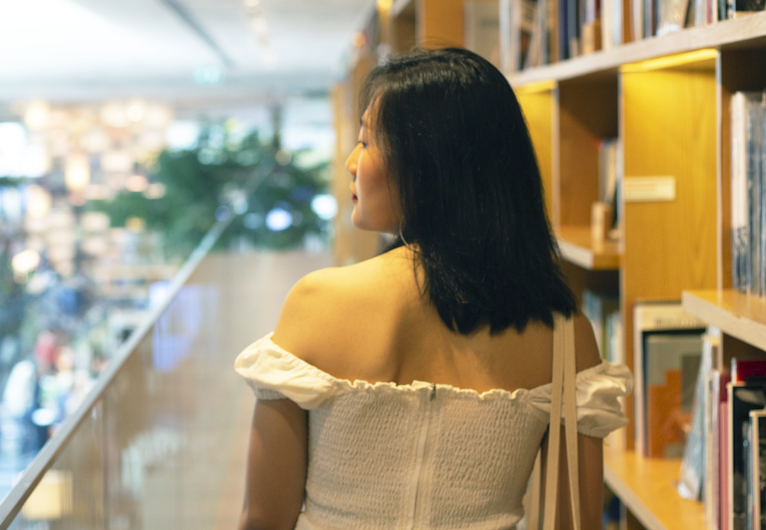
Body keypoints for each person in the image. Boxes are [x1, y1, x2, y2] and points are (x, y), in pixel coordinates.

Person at [234, 49, 632, 530]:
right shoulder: (564, 333)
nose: (350, 162)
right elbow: (575, 523)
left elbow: (263, 517)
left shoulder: (317, 302)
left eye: (366, 141)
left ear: (426, 163)